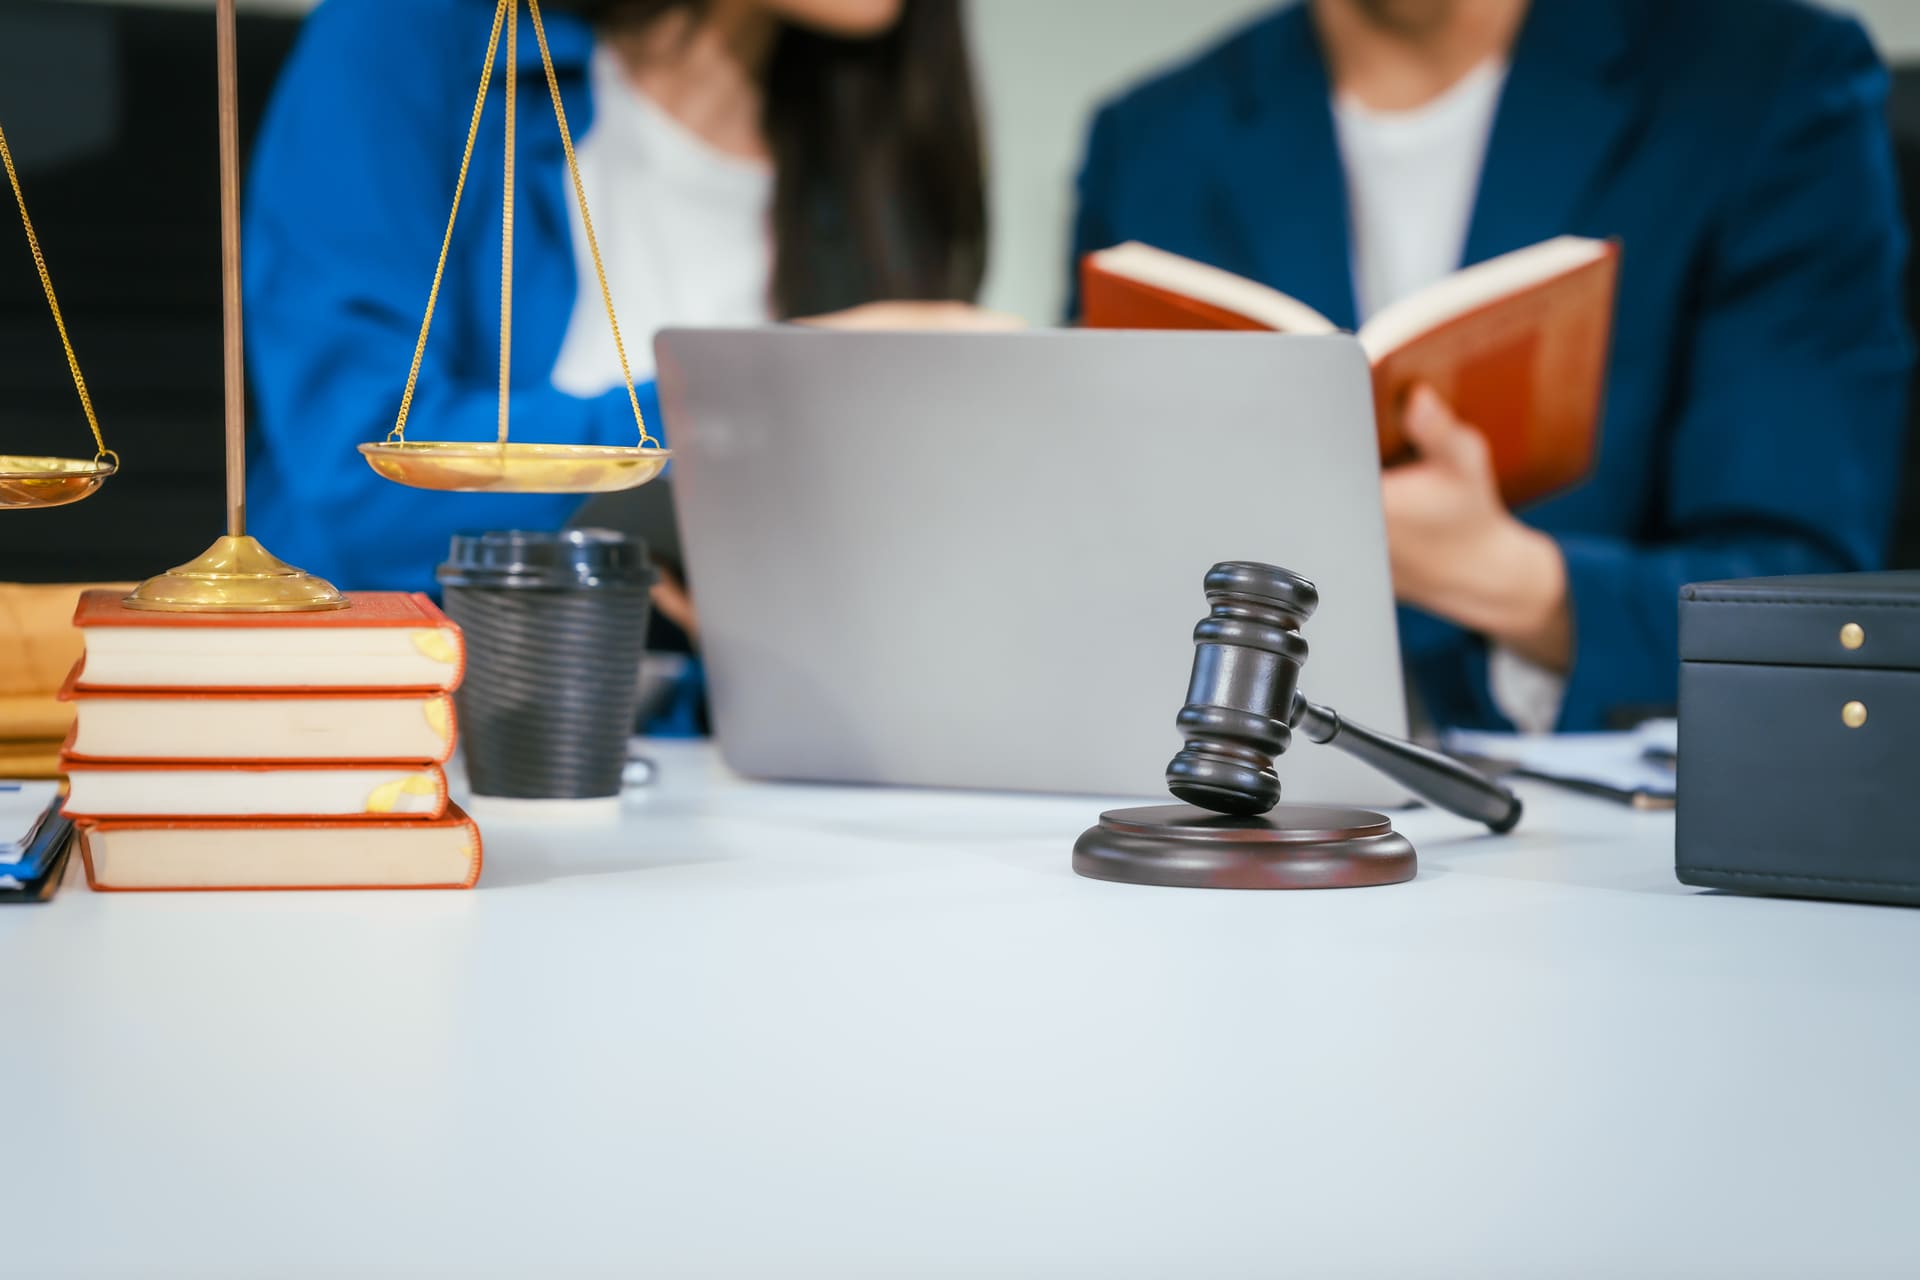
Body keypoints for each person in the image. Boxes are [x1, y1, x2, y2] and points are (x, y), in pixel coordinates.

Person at [1070, 0, 1912, 732]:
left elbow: (1808, 605)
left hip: (1585, 840)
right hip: (1218, 797)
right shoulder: (1149, 138)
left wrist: (1518, 585)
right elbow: (1090, 538)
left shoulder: (1767, 85)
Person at [243, 0, 991, 607]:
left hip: (725, 742)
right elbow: (357, 475)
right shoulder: (410, 34)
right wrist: (757, 397)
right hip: (392, 718)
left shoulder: (872, 150)